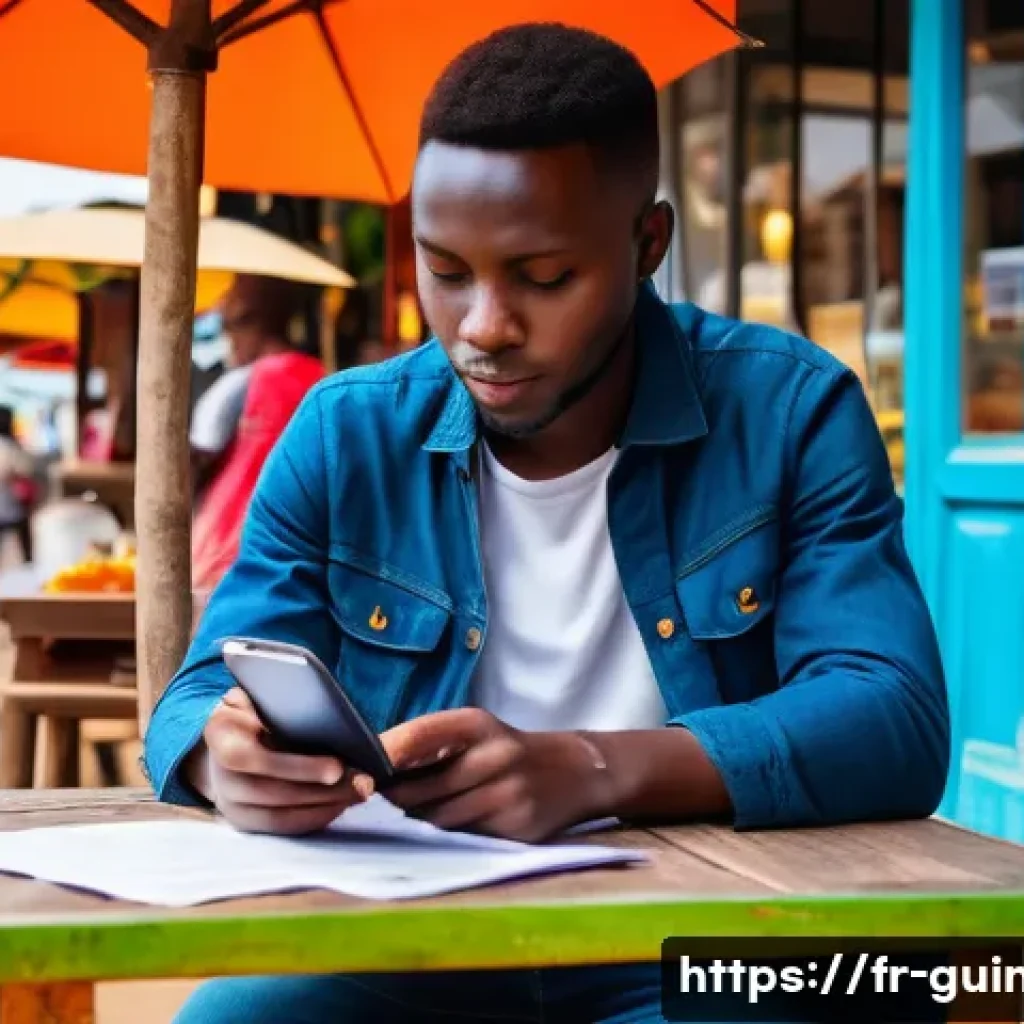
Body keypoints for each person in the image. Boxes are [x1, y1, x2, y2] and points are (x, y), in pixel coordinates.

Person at [144, 24, 949, 1023]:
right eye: (445, 270)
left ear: (645, 245)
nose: (483, 326)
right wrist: (221, 757)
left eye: (543, 277)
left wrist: (585, 765)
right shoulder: (345, 434)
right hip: (407, 942)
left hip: (702, 936)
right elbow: (200, 691)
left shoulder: (791, 412)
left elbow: (893, 717)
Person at [189, 274, 325, 592]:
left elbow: (194, 456)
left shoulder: (244, 381)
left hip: (225, 560)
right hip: (297, 560)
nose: (228, 341)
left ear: (250, 319)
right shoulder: (319, 380)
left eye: (229, 327)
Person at [0, 405, 36, 564]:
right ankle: (29, 567)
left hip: (7, 503)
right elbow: (24, 470)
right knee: (25, 544)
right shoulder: (10, 446)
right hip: (9, 502)